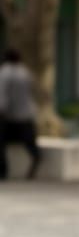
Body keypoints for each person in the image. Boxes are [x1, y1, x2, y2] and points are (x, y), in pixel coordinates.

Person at [0, 47, 42, 181]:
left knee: (1, 145)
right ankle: (34, 164)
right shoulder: (25, 72)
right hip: (27, 115)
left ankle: (3, 172)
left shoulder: (5, 72)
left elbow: (3, 95)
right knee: (31, 145)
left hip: (10, 117)